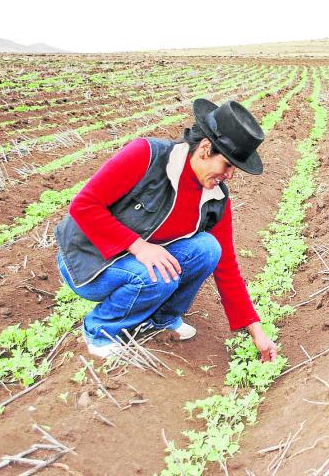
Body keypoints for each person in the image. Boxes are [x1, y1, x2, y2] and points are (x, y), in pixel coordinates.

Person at [55, 99, 278, 362]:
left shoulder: (216, 197)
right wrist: (139, 247)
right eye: (227, 165)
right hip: (89, 261)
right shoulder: (147, 156)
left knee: (208, 249)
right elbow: (83, 206)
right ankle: (101, 332)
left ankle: (161, 319)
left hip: (137, 260)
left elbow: (226, 264)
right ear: (205, 149)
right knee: (159, 276)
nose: (230, 175)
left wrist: (256, 330)